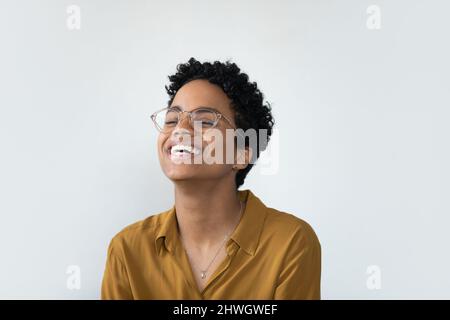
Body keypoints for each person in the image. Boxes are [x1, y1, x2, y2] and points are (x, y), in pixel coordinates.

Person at [101, 57, 321, 299]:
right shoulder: (127, 250)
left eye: (205, 121)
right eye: (172, 120)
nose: (180, 129)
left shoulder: (290, 243)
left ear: (241, 154)